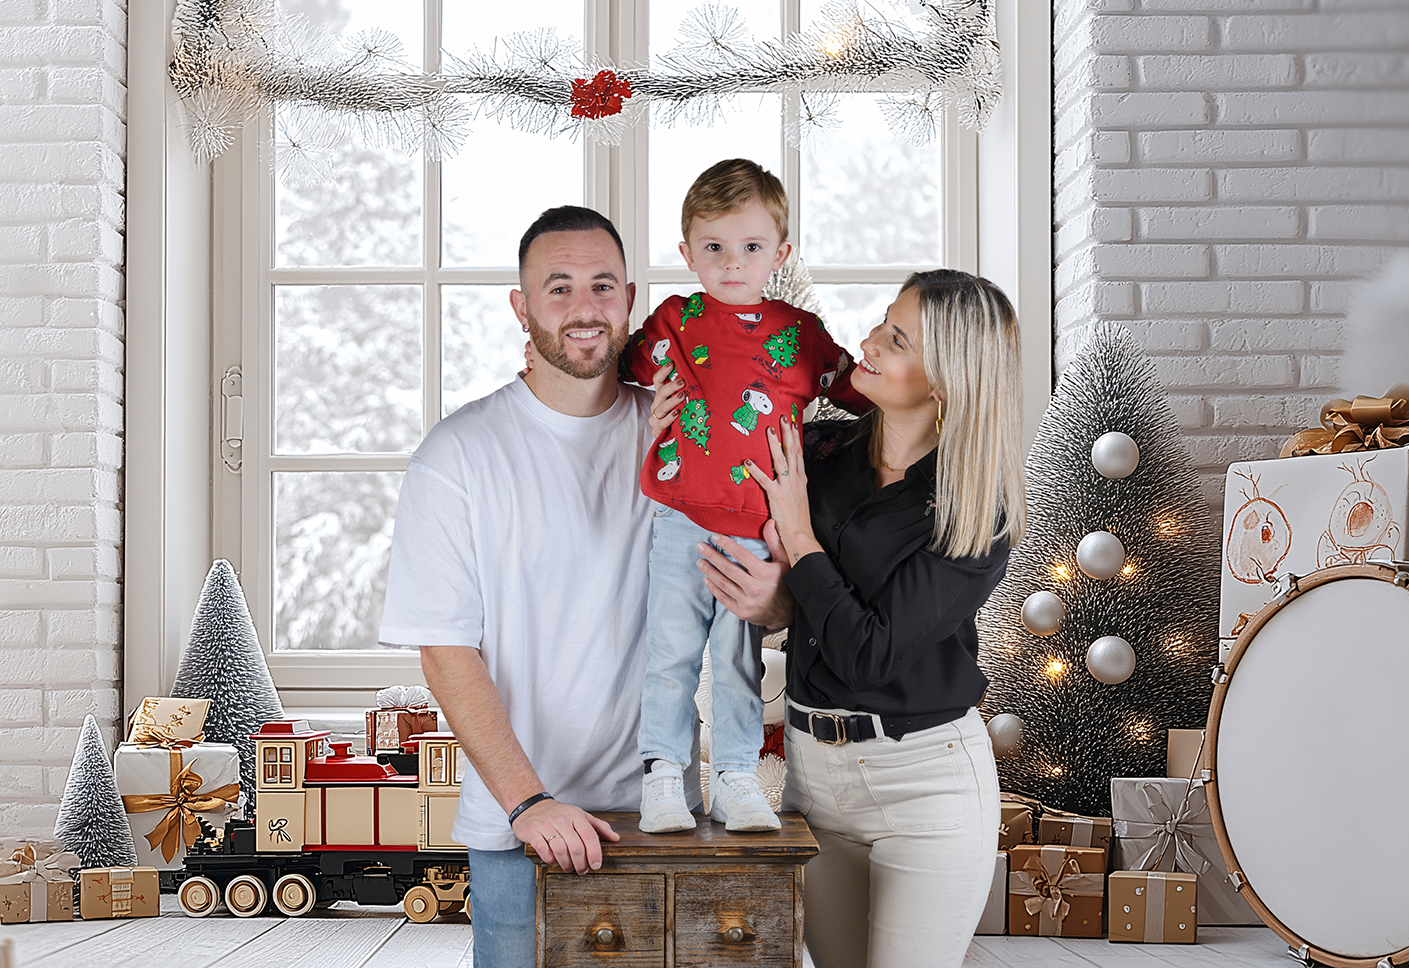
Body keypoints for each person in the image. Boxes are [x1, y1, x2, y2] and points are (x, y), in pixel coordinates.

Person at [658, 270, 1027, 967]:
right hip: (813, 776)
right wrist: (666, 434)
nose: (869, 342)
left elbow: (869, 654)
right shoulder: (820, 453)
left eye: (897, 340)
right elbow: (779, 580)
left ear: (946, 379)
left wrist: (800, 537)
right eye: (882, 323)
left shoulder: (975, 509)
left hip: (924, 785)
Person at [378, 206, 660, 968]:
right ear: (522, 306)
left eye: (602, 285)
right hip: (518, 827)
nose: (584, 307)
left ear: (629, 299)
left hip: (659, 819)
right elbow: (446, 651)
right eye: (558, 287)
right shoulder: (458, 455)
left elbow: (743, 598)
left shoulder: (670, 435)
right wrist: (528, 801)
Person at [623, 158, 869, 833]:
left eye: (751, 247)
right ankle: (663, 775)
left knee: (737, 660)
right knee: (670, 652)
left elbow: (861, 393)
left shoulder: (800, 335)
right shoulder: (672, 322)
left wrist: (932, 398)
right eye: (714, 247)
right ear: (687, 253)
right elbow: (610, 368)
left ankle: (734, 777)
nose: (733, 263)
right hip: (679, 518)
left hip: (757, 531)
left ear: (780, 254)